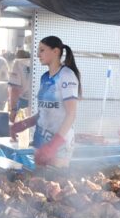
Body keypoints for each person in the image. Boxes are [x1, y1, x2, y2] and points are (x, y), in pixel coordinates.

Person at [9, 36, 81, 167]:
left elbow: (71, 114)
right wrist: (23, 124)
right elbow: (43, 113)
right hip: (41, 142)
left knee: (56, 182)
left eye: (42, 50)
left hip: (59, 145)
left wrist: (54, 145)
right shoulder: (44, 78)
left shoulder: (66, 76)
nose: (37, 55)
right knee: (39, 183)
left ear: (56, 51)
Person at [7, 48, 32, 120]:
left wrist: (13, 110)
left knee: (23, 129)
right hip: (40, 102)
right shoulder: (38, 63)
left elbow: (15, 89)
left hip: (24, 103)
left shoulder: (17, 63)